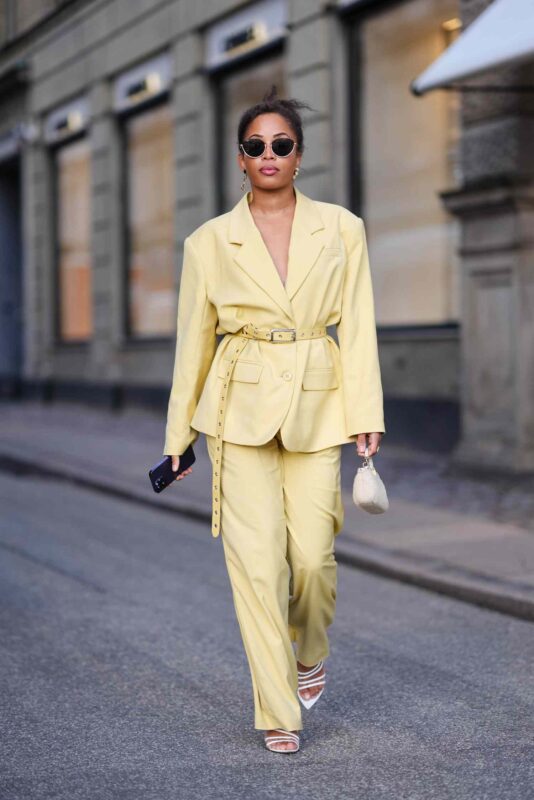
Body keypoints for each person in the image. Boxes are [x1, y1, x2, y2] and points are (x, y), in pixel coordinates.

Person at [163, 85, 385, 753]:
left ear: (299, 155)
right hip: (237, 413)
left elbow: (362, 323)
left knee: (312, 561)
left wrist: (366, 411)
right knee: (258, 568)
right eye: (255, 145)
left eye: (280, 145)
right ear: (240, 158)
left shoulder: (343, 229)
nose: (268, 154)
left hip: (321, 402)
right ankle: (278, 711)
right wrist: (178, 441)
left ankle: (310, 647)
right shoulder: (208, 243)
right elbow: (192, 344)